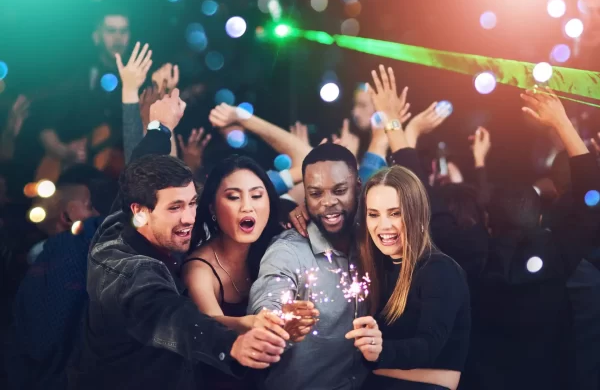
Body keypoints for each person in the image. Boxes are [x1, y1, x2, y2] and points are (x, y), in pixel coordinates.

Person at [68, 91, 286, 390]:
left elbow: (137, 169)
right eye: (175, 208)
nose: (189, 217)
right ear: (141, 212)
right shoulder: (125, 270)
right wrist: (230, 345)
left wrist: (160, 127)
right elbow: (170, 316)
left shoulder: (125, 216)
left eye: (192, 203)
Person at [248, 143, 382, 390]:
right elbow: (267, 302)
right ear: (305, 196)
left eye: (339, 190)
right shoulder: (287, 251)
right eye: (316, 194)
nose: (328, 202)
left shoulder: (374, 239)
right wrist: (276, 323)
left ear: (358, 188)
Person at [357, 166, 470, 390]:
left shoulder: (439, 270)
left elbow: (429, 346)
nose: (383, 225)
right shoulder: (381, 268)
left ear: (416, 213)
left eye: (395, 213)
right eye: (373, 214)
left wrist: (379, 352)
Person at [181, 155, 289, 390]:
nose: (247, 206)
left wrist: (301, 213)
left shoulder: (274, 247)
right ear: (212, 207)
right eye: (233, 197)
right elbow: (211, 323)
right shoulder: (198, 269)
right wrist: (249, 323)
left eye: (257, 196)